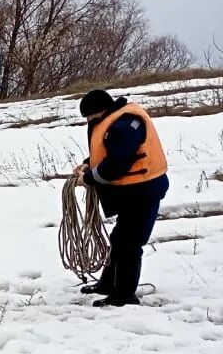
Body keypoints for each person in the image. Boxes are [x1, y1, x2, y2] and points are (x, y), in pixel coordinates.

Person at [72, 89, 170, 307]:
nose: (89, 122)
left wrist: (88, 179)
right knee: (120, 239)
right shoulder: (115, 121)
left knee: (129, 244)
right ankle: (108, 284)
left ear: (102, 111)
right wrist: (89, 163)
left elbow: (116, 164)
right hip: (133, 191)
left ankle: (124, 296)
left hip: (145, 190)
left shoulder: (126, 125)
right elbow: (108, 151)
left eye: (90, 118)